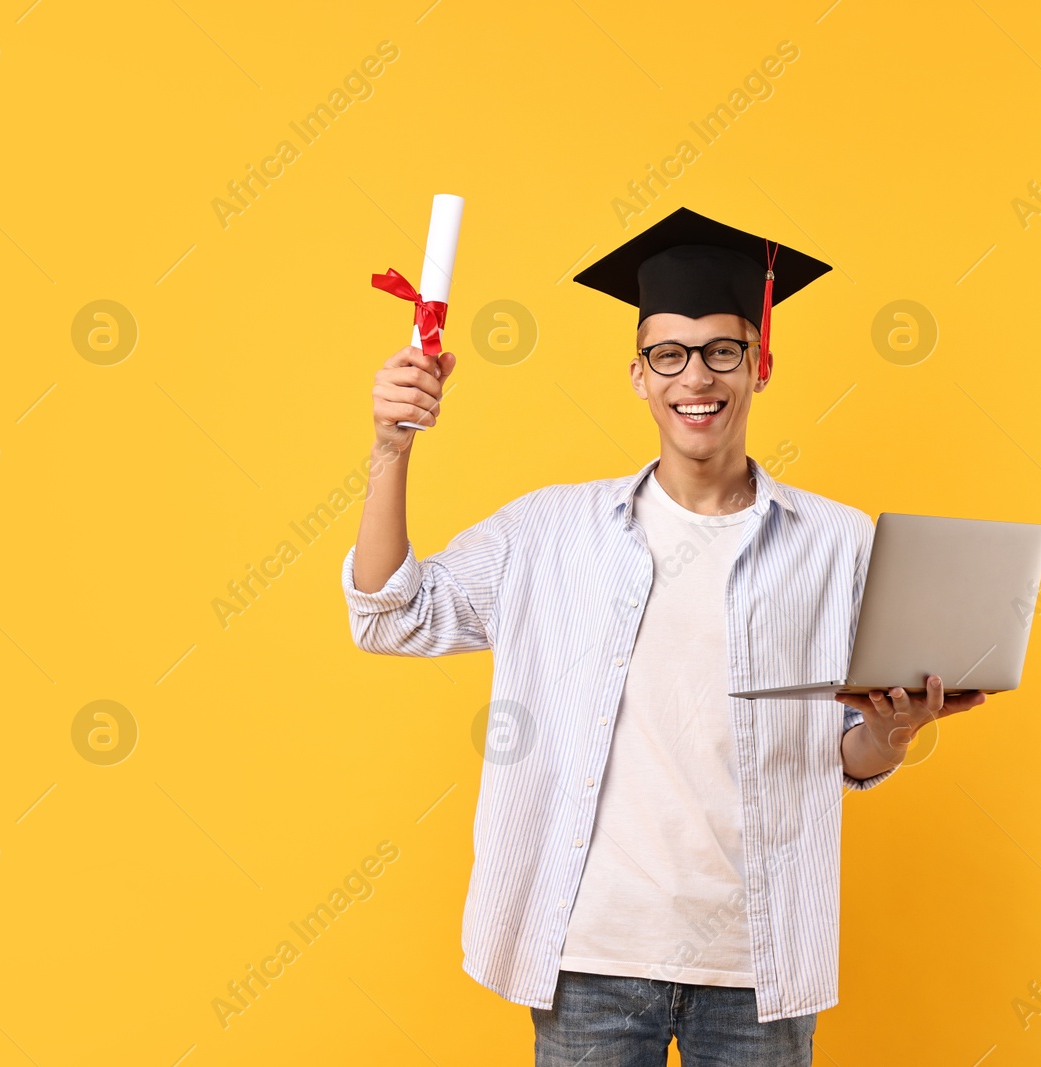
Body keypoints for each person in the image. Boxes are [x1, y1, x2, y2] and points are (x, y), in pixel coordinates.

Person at [342, 206, 989, 1065]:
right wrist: (391, 447)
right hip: (591, 957)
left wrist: (892, 732)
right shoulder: (549, 532)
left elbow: (850, 751)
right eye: (669, 355)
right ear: (639, 375)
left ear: (760, 363)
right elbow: (391, 614)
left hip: (759, 962)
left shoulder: (839, 545)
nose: (697, 377)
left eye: (723, 350)